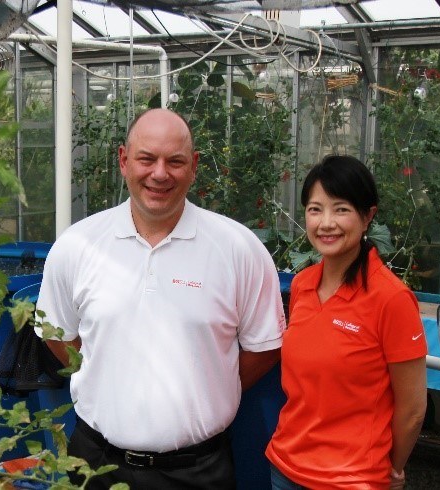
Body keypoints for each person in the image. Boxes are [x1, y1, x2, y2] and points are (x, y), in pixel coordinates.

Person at [36, 108, 286, 489]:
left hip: (198, 471)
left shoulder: (238, 249)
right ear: (123, 160)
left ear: (194, 166)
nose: (159, 173)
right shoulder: (78, 245)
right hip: (95, 464)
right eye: (146, 158)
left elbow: (264, 347)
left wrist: (207, 384)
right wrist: (106, 374)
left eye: (175, 161)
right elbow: (56, 333)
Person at [265, 155, 427, 490]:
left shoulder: (391, 298)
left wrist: (393, 470)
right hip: (286, 468)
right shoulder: (302, 285)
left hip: (351, 479)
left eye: (341, 209)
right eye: (315, 209)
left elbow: (412, 409)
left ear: (368, 216)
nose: (326, 223)